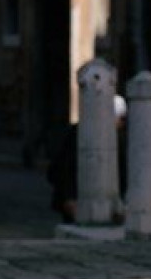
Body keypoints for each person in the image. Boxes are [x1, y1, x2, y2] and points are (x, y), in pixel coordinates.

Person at [47, 95, 128, 223]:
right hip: (77, 198)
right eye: (121, 119)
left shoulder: (118, 139)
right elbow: (65, 167)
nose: (122, 123)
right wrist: (68, 197)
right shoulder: (79, 133)